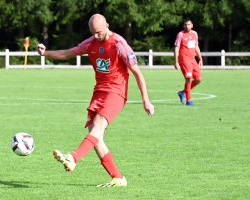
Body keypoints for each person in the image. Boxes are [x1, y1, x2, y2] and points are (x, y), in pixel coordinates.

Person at [36, 14, 155, 187]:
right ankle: (118, 178)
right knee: (95, 134)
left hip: (117, 92)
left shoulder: (119, 45)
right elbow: (67, 54)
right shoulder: (90, 43)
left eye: (99, 32)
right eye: (93, 33)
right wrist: (45, 53)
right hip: (99, 91)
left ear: (107, 25)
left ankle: (73, 157)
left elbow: (138, 73)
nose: (97, 36)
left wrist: (146, 100)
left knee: (98, 126)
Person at [174, 18, 203, 106]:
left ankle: (183, 92)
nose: (187, 26)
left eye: (189, 24)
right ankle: (188, 100)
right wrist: (176, 61)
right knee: (189, 78)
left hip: (192, 59)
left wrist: (200, 58)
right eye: (185, 25)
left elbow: (196, 46)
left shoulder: (195, 34)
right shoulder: (180, 34)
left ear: (192, 25)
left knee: (198, 79)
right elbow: (176, 48)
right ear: (183, 26)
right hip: (184, 59)